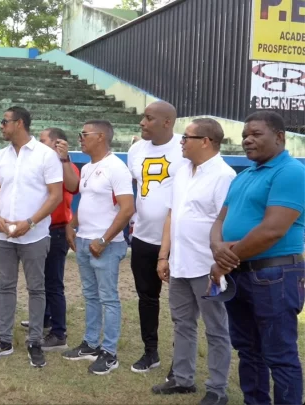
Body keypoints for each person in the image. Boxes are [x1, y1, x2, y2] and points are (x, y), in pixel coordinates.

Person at [209, 111, 305, 405]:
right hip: (239, 274)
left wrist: (225, 258)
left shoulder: (291, 172)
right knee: (248, 350)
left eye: (255, 134)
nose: (247, 140)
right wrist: (217, 248)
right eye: (244, 136)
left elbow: (273, 230)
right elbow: (219, 221)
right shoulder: (244, 175)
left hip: (274, 275)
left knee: (279, 354)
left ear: (279, 137)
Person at [151, 119, 234, 405]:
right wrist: (165, 255)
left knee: (216, 328)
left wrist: (220, 266)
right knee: (182, 323)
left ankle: (217, 388)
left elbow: (226, 224)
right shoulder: (182, 171)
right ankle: (183, 379)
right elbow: (172, 215)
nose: (181, 142)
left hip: (208, 267)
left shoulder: (224, 176)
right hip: (180, 263)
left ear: (206, 141)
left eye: (186, 137)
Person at [0, 107, 62, 368]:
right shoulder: (0, 157)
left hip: (34, 236)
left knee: (36, 289)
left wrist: (30, 222)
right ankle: (4, 340)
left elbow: (55, 196)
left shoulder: (45, 156)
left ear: (19, 124)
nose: (1, 126)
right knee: (5, 286)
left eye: (4, 122)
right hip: (2, 235)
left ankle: (35, 341)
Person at [62, 120, 134, 375]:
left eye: (84, 134)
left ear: (101, 137)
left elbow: (127, 209)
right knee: (90, 296)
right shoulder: (90, 167)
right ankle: (91, 343)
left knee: (108, 299)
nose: (80, 138)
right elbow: (89, 201)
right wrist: (73, 224)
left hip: (106, 244)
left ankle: (110, 352)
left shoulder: (116, 168)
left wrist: (104, 240)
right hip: (84, 240)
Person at [127, 101, 187, 373]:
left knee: (180, 303)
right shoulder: (136, 149)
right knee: (147, 298)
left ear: (167, 122)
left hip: (176, 240)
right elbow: (138, 187)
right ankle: (150, 352)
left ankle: (180, 361)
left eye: (149, 118)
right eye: (143, 117)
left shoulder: (184, 149)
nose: (142, 122)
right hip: (143, 237)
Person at [26, 127, 80, 352]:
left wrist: (64, 159)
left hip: (55, 230)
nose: (39, 144)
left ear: (58, 144)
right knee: (40, 280)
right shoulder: (40, 163)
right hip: (39, 229)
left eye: (43, 140)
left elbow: (72, 186)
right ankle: (45, 319)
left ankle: (59, 333)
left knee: (53, 283)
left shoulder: (64, 165)